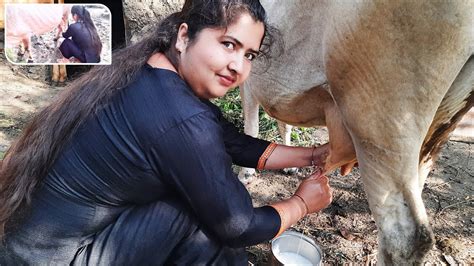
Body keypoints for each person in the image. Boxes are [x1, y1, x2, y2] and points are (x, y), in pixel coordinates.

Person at [0, 0, 333, 264]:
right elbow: (238, 225)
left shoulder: (152, 68)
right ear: (184, 35)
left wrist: (314, 155)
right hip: (56, 259)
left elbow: (230, 140)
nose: (238, 66)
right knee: (205, 223)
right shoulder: (180, 117)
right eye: (228, 44)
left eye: (249, 55)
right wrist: (301, 204)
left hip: (26, 247)